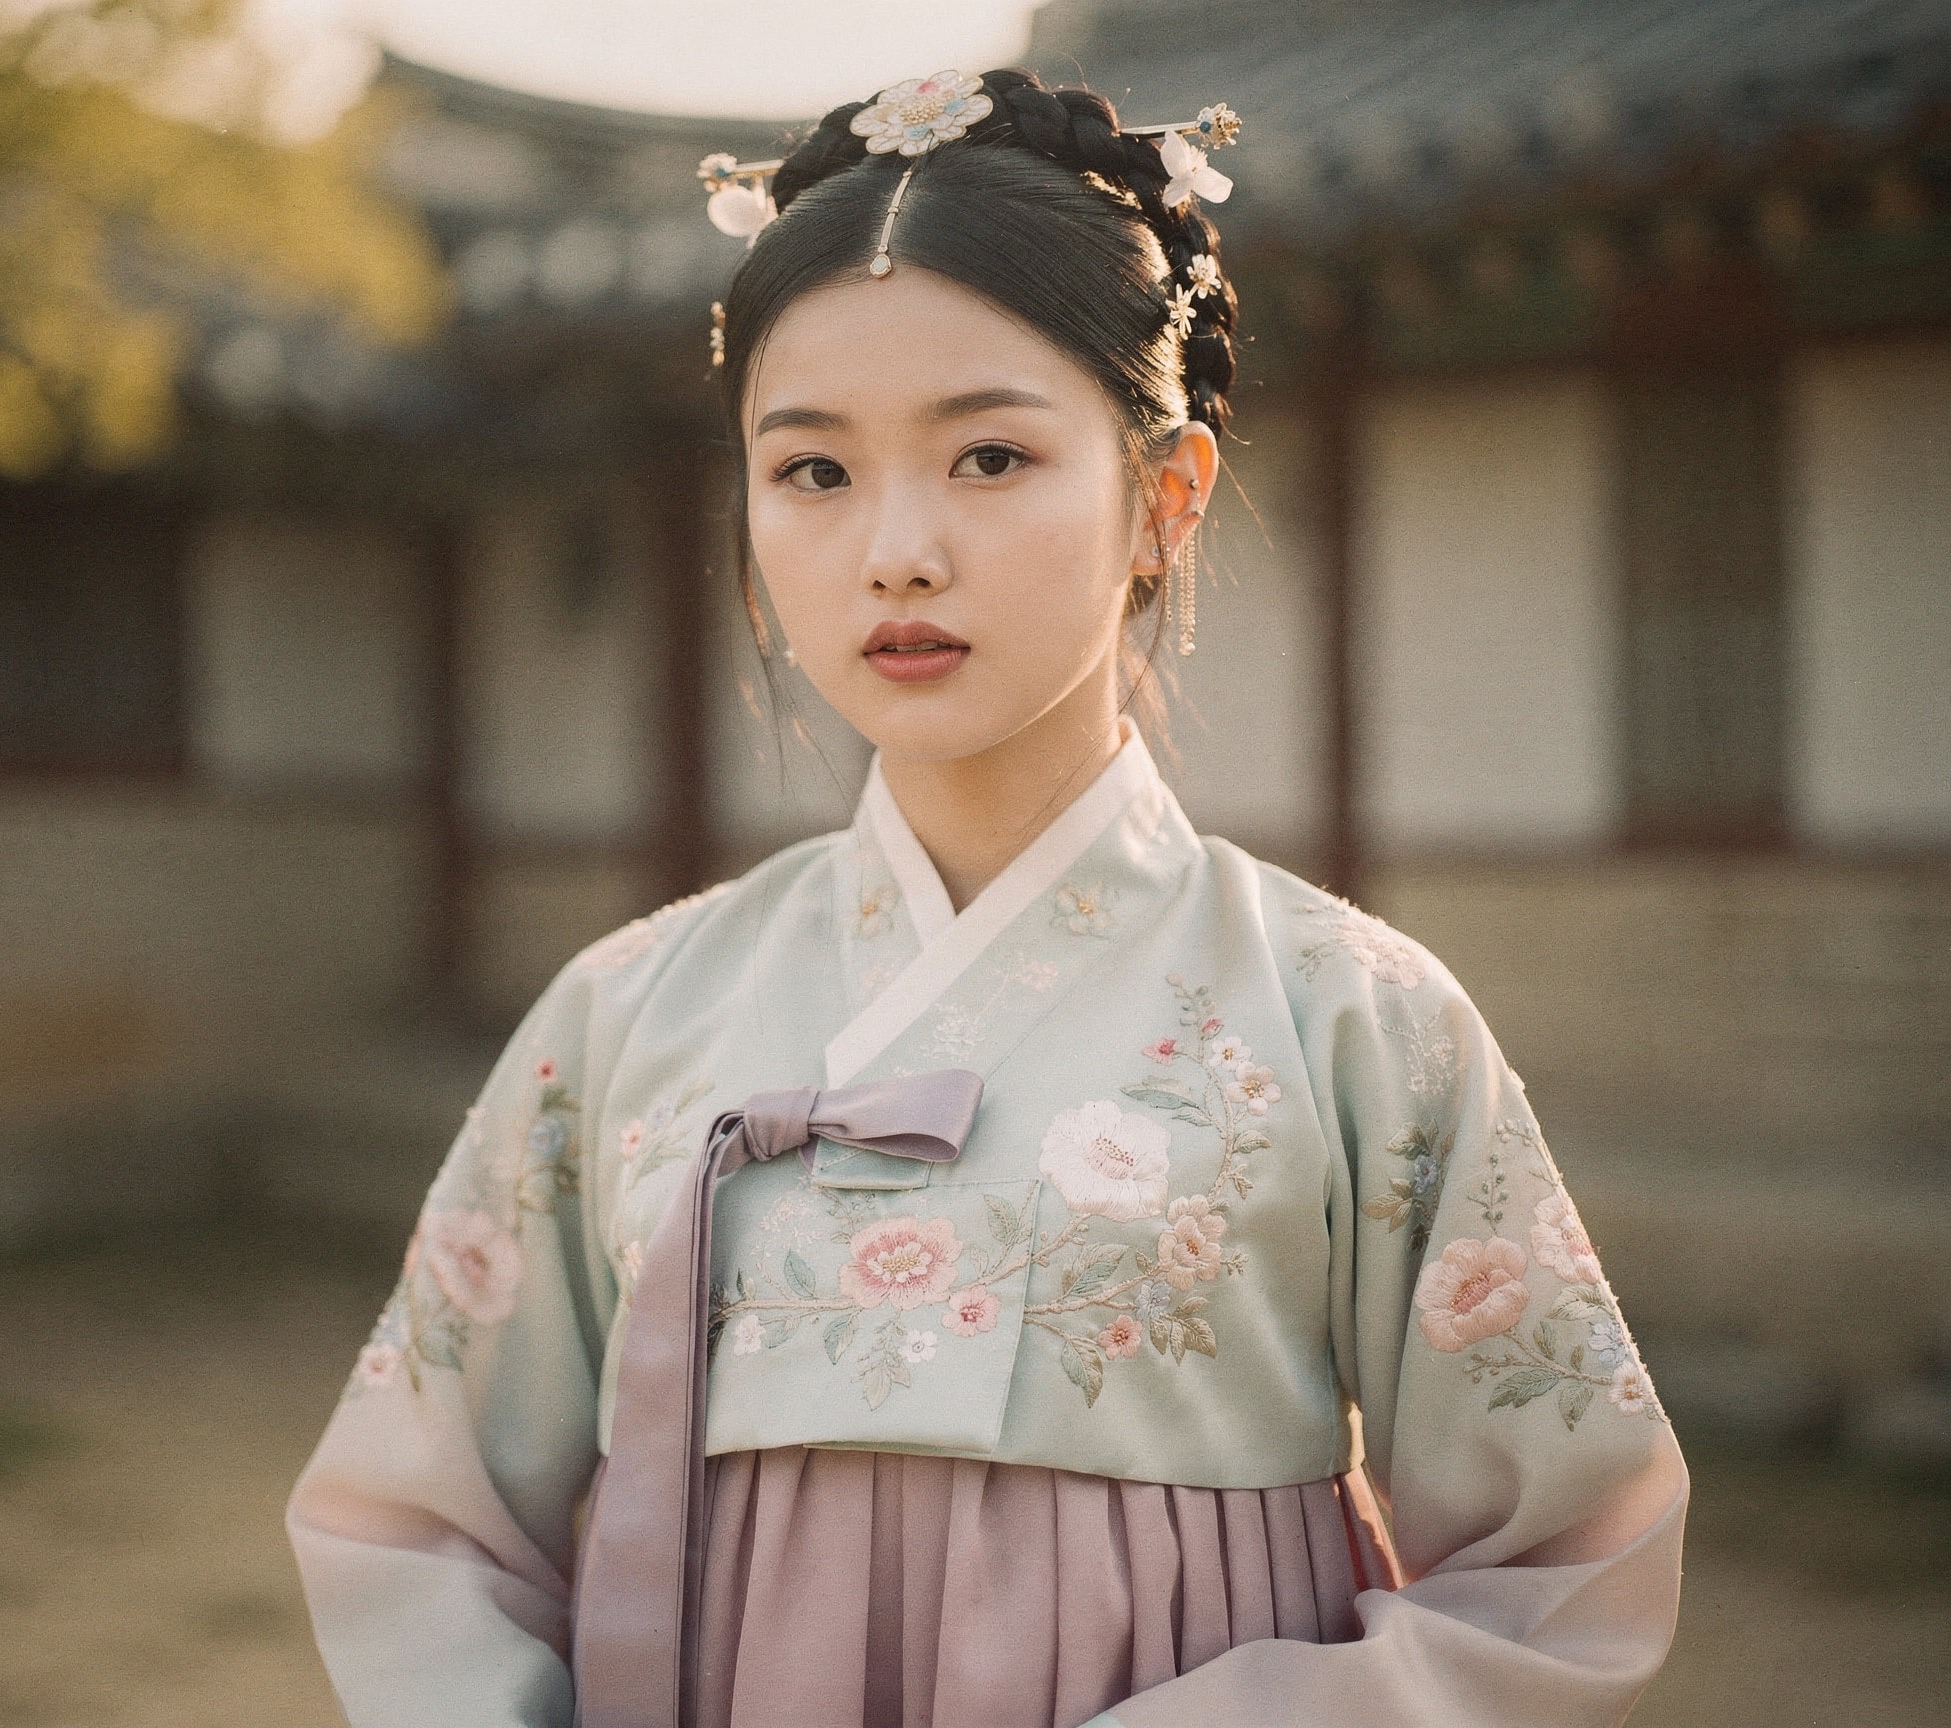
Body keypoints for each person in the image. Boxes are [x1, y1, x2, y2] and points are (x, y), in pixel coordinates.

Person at [288, 67, 1687, 1728]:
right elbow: (416, 1527)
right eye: (812, 472)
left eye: (992, 456)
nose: (896, 551)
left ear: (1166, 498)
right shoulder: (627, 1013)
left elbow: (1563, 1572)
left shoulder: (1353, 1019)